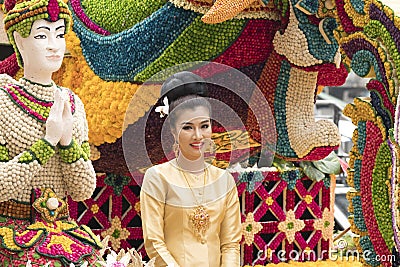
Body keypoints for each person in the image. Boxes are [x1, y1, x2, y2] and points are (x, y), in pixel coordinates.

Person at [0, 0, 100, 265]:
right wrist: (47, 142)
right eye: (42, 35)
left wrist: (67, 142)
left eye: (59, 34)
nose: (54, 45)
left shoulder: (72, 103)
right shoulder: (4, 99)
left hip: (63, 231)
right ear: (20, 42)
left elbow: (83, 189)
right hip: (13, 226)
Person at [140, 71, 242, 267]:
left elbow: (230, 244)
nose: (198, 136)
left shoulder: (224, 180)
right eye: (187, 128)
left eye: (204, 126)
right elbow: (154, 242)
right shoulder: (158, 178)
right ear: (172, 130)